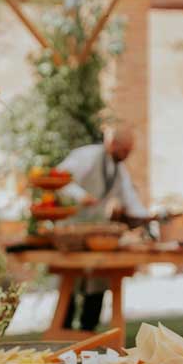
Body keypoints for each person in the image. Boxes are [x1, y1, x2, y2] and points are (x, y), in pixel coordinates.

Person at [56, 127, 148, 330]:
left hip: (96, 233)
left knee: (99, 279)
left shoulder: (118, 168)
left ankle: (89, 328)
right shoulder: (84, 156)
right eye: (124, 150)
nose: (126, 156)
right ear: (112, 143)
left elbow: (128, 197)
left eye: (129, 151)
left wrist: (145, 216)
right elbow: (60, 179)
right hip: (72, 230)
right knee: (71, 282)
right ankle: (63, 330)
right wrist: (80, 196)